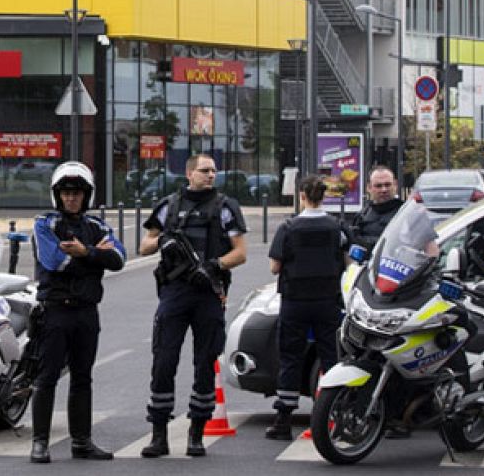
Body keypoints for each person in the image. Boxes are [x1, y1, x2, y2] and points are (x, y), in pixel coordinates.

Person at [138, 153, 248, 458]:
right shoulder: (169, 206)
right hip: (174, 293)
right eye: (204, 170)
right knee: (163, 361)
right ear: (189, 174)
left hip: (209, 292)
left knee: (204, 364)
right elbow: (144, 244)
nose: (211, 175)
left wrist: (213, 265)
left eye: (214, 170)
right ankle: (158, 434)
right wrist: (164, 242)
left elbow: (240, 253)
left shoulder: (226, 207)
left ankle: (196, 434)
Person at [28, 161, 126, 464]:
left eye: (78, 193)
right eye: (67, 192)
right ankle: (40, 442)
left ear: (87, 195)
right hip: (54, 312)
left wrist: (86, 253)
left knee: (83, 378)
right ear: (58, 195)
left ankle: (82, 442)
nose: (72, 198)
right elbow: (54, 261)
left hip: (86, 312)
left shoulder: (97, 226)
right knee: (47, 377)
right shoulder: (44, 223)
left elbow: (119, 257)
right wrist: (96, 257)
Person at [263, 176, 348, 440]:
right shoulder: (337, 227)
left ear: (301, 196)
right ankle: (336, 415)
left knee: (291, 359)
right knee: (332, 358)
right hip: (327, 301)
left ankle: (283, 420)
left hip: (295, 301)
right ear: (324, 196)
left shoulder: (288, 228)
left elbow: (275, 266)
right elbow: (347, 261)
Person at [346, 166, 404, 253]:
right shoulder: (362, 216)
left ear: (395, 185)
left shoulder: (405, 213)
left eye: (387, 185)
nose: (384, 190)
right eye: (378, 186)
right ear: (369, 188)